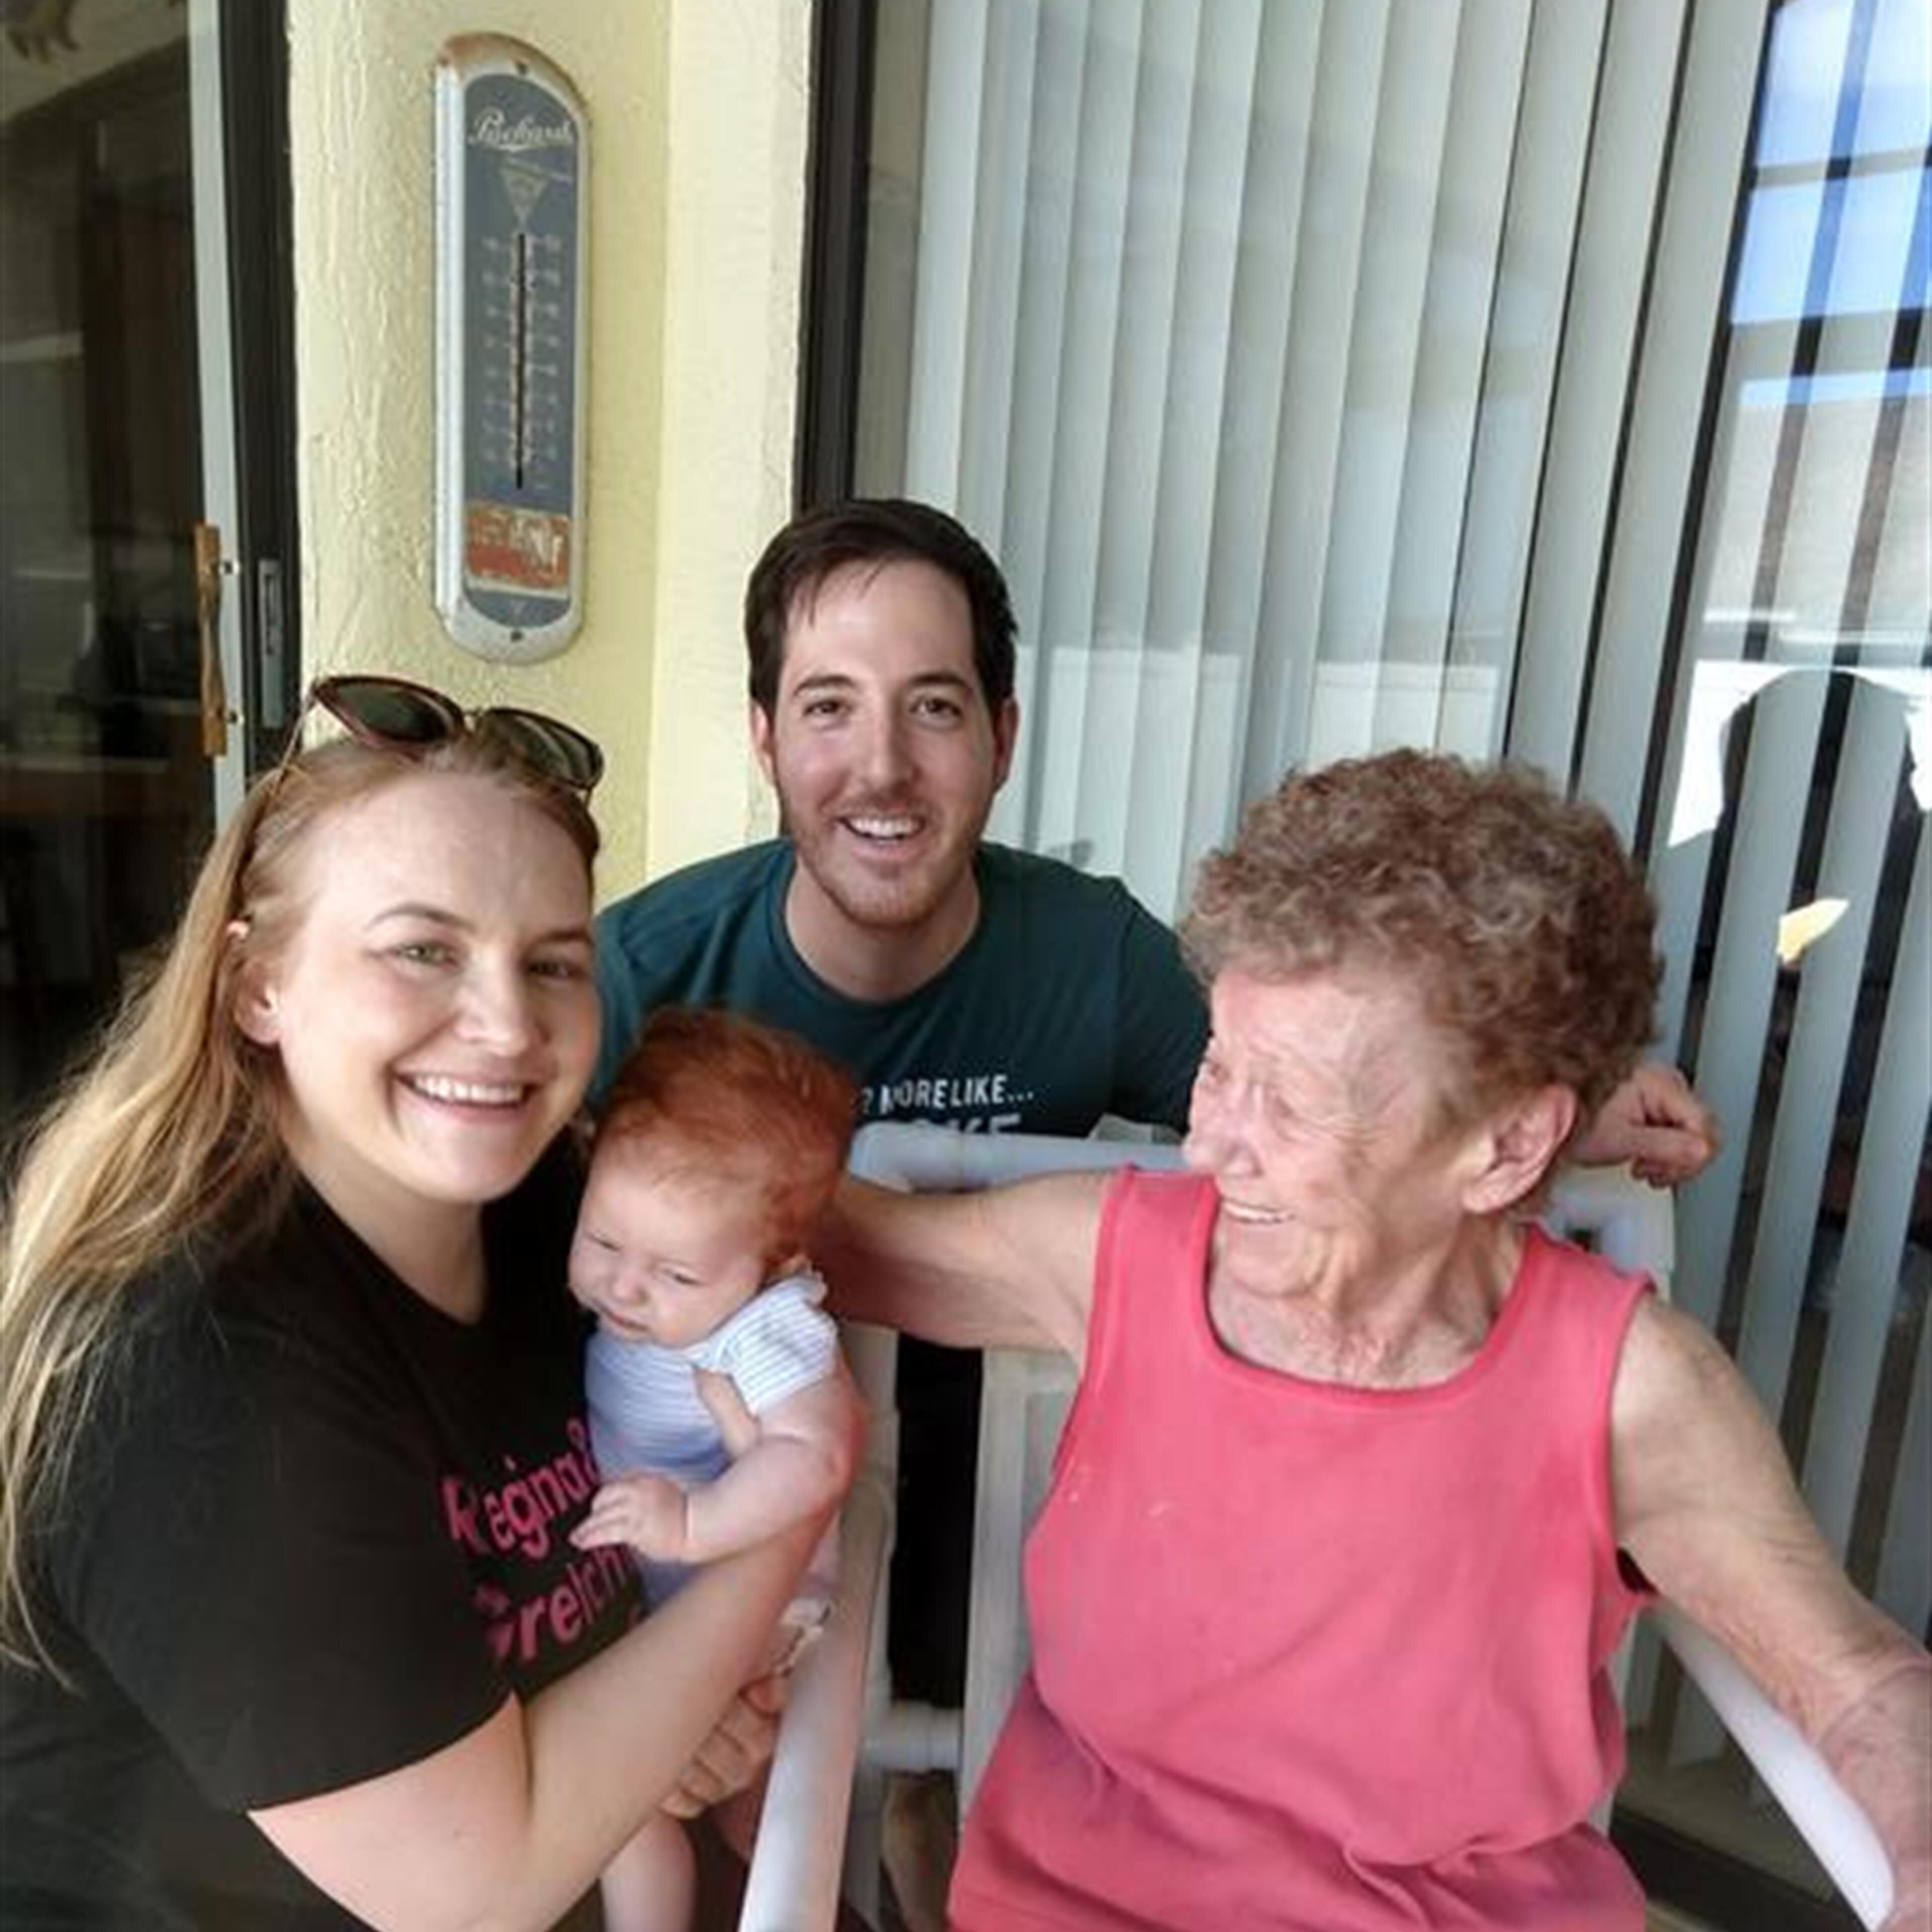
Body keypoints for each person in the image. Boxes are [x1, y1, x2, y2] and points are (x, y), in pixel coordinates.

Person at [592, 496, 1722, 1911]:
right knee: (724, 1811)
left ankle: (931, 1840)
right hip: (706, 1465)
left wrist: (1534, 1094)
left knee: (963, 1747)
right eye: (829, 707)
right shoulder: (649, 976)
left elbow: (1313, 1101)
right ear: (763, 737)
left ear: (1004, 735)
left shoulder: (1093, 953)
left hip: (1008, 1459)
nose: (881, 765)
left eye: (934, 707)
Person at [817, 747, 1931, 1932]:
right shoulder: (1114, 1258)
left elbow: (1857, 1680)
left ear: (1507, 1148)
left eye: (1291, 1102)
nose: (1209, 1147)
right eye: (1219, 1067)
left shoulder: (1624, 1390)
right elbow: (815, 1236)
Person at [0, 675, 853, 1930]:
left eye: (553, 963)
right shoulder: (194, 1370)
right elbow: (477, 1887)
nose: (506, 1025)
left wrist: (664, 1717)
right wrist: (788, 1512)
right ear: (257, 986)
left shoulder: (546, 1214)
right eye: (423, 950)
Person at [566, 1006, 859, 1932]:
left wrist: (694, 1522)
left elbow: (819, 1454)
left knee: (630, 1798)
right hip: (678, 1588)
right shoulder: (667, 1294)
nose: (625, 1287)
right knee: (710, 1799)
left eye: (677, 1276)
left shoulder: (764, 1328)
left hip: (757, 1590)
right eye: (603, 1242)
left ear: (777, 1266)